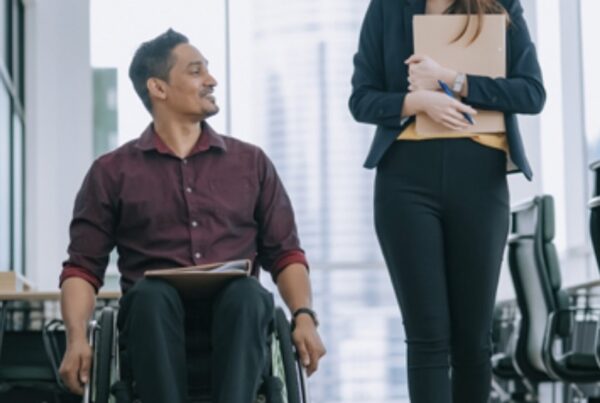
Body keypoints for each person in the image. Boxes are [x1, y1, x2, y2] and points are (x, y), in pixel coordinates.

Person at [58, 29, 325, 403]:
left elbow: (286, 254)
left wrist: (304, 315)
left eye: (209, 71)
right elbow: (82, 269)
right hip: (152, 326)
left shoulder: (250, 163)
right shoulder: (111, 172)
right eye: (196, 71)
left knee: (247, 294)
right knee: (151, 297)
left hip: (238, 322)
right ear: (158, 88)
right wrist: (76, 339)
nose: (211, 80)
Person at [349, 0, 544, 401]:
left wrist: (454, 81)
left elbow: (532, 93)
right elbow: (361, 99)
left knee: (473, 339)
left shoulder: (500, 4)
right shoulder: (387, 7)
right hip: (405, 180)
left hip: (479, 178)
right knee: (426, 337)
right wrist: (416, 102)